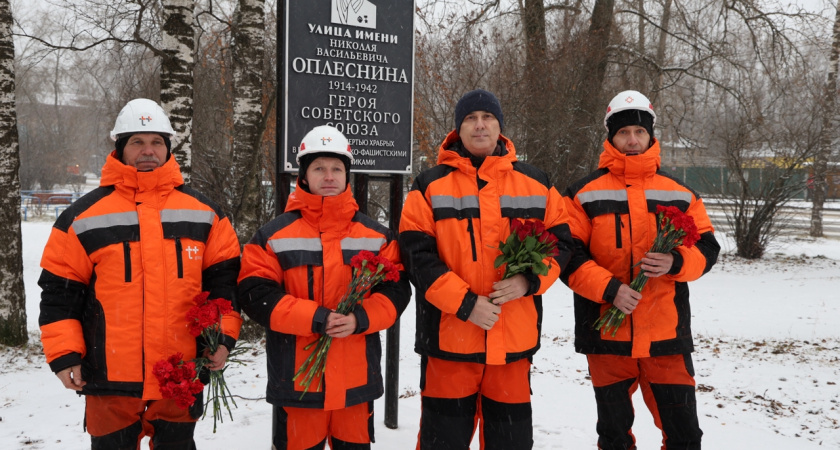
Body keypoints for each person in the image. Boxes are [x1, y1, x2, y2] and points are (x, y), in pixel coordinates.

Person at [38, 98, 243, 448]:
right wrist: (64, 356)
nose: (148, 151)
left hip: (180, 375)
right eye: (137, 142)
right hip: (108, 375)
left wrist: (221, 340)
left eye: (157, 142)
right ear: (120, 148)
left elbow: (224, 287)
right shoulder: (81, 217)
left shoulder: (206, 214)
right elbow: (60, 295)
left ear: (168, 148)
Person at [399, 89, 574, 450]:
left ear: (500, 127)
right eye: (470, 119)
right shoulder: (428, 185)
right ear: (457, 131)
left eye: (488, 118)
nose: (480, 126)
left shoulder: (537, 183)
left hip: (512, 344)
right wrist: (465, 304)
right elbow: (417, 255)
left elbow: (563, 243)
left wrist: (530, 280)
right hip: (450, 342)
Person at [560, 90, 721, 449]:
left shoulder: (680, 193)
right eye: (623, 133)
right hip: (606, 337)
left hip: (666, 336)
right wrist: (610, 289)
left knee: (684, 436)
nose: (632, 140)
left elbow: (707, 249)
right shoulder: (582, 193)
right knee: (614, 436)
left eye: (638, 131)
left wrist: (676, 261)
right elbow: (567, 256)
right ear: (610, 137)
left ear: (651, 135)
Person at [238, 125, 410, 450]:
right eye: (319, 168)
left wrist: (360, 319)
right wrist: (315, 318)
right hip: (298, 379)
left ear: (347, 175)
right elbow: (255, 293)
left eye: (336, 168)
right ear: (304, 175)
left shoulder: (377, 236)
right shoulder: (273, 236)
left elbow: (396, 291)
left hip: (356, 378)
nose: (328, 176)